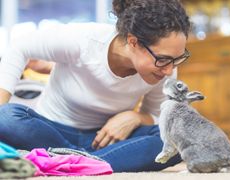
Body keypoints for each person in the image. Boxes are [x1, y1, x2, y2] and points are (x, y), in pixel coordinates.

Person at [0, 0, 191, 172]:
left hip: (108, 140)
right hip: (50, 131)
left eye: (177, 60)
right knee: (6, 116)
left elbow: (157, 115)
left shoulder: (166, 69)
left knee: (179, 135)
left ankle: (69, 161)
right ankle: (91, 163)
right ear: (134, 42)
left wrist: (134, 116)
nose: (169, 70)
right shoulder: (84, 40)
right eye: (163, 59)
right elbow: (20, 47)